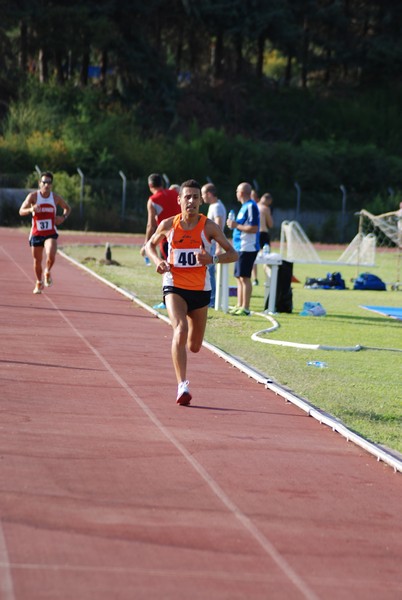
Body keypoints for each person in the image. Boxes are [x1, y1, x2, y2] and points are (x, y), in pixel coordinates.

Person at [145, 179, 238, 406]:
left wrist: (212, 259)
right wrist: (158, 260)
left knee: (195, 346)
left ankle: (185, 349)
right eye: (187, 197)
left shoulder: (209, 227)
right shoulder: (168, 224)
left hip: (200, 290)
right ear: (179, 200)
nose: (191, 201)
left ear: (201, 202)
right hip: (174, 285)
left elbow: (233, 254)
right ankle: (182, 385)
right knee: (180, 328)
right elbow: (149, 245)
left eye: (196, 197)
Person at [18, 171, 71, 294]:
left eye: (49, 183)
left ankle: (47, 271)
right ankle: (38, 282)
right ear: (39, 183)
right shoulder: (33, 196)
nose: (46, 185)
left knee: (51, 253)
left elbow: (67, 208)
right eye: (44, 182)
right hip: (36, 233)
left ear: (51, 185)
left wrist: (63, 218)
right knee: (37, 261)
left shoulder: (55, 198)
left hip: (50, 232)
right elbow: (21, 211)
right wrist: (31, 209)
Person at [141, 173, 180, 308]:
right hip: (183, 233)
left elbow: (151, 224)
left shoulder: (153, 200)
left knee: (166, 268)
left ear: (150, 185)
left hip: (166, 237)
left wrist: (147, 243)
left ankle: (166, 300)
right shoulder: (175, 194)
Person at [226, 182, 260, 316]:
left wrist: (235, 225)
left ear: (241, 193)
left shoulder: (251, 206)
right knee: (238, 277)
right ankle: (239, 305)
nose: (236, 194)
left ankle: (245, 308)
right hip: (240, 246)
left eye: (237, 191)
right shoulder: (243, 207)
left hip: (248, 246)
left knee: (245, 277)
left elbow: (254, 228)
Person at [201, 182, 227, 307]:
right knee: (209, 273)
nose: (202, 197)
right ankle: (211, 299)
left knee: (210, 273)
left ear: (209, 194)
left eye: (203, 194)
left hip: (213, 246)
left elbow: (218, 228)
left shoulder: (216, 207)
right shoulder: (214, 206)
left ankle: (212, 301)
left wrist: (218, 247)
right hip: (210, 245)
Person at [252, 192, 274, 285]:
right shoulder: (265, 208)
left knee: (254, 257)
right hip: (263, 233)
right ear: (268, 200)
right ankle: (268, 279)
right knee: (266, 257)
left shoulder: (253, 206)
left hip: (254, 233)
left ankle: (255, 279)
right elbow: (271, 224)